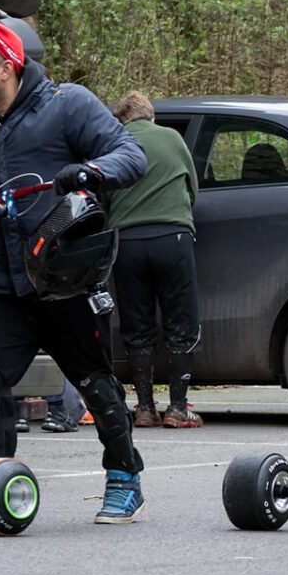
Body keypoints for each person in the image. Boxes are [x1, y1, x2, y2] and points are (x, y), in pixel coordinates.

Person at [0, 19, 150, 524]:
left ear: (7, 67)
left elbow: (132, 155)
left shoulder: (67, 105)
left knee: (97, 384)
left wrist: (92, 171)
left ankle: (124, 478)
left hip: (62, 279)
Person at [104, 90, 203, 428]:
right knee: (181, 323)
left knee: (137, 326)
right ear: (151, 115)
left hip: (127, 243)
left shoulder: (112, 143)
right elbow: (193, 190)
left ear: (122, 119)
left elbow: (102, 197)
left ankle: (144, 407)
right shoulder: (172, 138)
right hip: (172, 239)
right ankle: (178, 408)